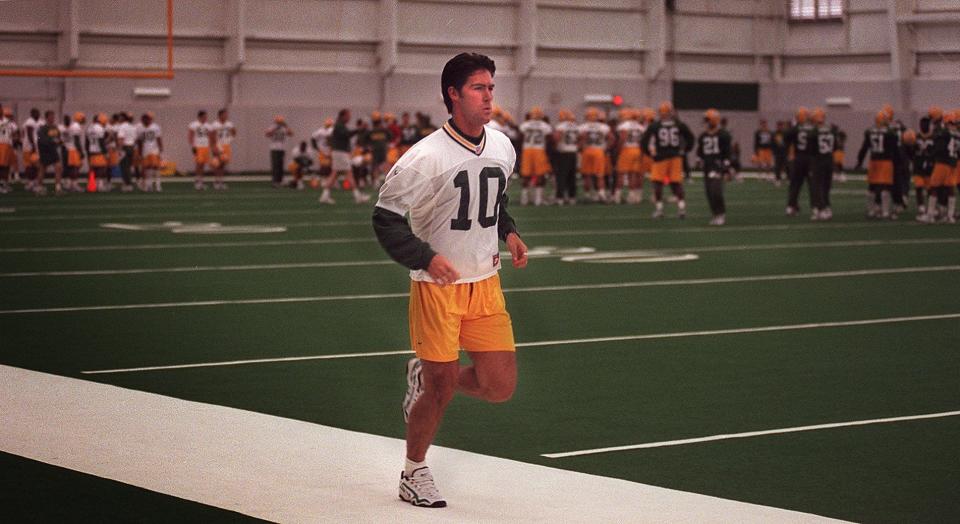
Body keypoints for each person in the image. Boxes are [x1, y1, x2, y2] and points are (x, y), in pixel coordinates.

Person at [372, 52, 528, 509]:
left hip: (486, 283)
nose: (489, 96)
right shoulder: (424, 157)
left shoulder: (502, 147)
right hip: (437, 288)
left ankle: (422, 373)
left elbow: (493, 200)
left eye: (491, 87)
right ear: (453, 94)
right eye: (479, 88)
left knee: (499, 387)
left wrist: (510, 231)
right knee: (441, 390)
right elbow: (385, 219)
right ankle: (413, 470)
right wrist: (425, 256)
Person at [641, 101, 694, 218]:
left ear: (661, 112)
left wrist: (649, 153)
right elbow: (690, 137)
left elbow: (644, 141)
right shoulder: (678, 124)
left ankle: (659, 210)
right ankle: (681, 208)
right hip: (675, 157)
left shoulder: (655, 125)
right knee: (676, 183)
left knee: (657, 183)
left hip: (661, 157)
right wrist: (685, 150)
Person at [855, 111, 900, 219]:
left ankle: (871, 211)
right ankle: (885, 212)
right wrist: (897, 162)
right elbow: (895, 150)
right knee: (886, 186)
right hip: (886, 161)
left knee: (872, 186)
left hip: (874, 161)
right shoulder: (890, 132)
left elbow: (864, 148)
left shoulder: (869, 131)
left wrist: (859, 161)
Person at [318, 109, 368, 204]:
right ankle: (357, 196)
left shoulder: (339, 125)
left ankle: (324, 196)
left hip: (339, 153)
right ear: (343, 116)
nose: (349, 118)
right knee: (349, 174)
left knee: (334, 174)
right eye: (348, 115)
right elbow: (347, 134)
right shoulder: (339, 125)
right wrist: (359, 129)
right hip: (340, 153)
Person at [918, 111, 959, 223]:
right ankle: (950, 216)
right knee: (950, 189)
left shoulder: (944, 133)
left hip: (942, 163)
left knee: (934, 188)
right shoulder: (957, 134)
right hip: (953, 164)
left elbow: (939, 149)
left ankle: (930, 215)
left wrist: (929, 158)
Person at [696, 108, 732, 226]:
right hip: (707, 166)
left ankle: (721, 214)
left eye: (708, 120)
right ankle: (715, 214)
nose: (706, 122)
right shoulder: (703, 136)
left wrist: (726, 169)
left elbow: (727, 153)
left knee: (716, 191)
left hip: (718, 166)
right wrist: (699, 160)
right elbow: (700, 151)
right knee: (709, 192)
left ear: (714, 120)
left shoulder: (723, 135)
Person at [518, 106, 553, 205]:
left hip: (527, 150)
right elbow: (550, 139)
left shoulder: (525, 125)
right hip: (539, 150)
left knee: (526, 174)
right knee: (540, 174)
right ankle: (538, 199)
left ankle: (524, 198)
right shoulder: (545, 126)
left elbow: (520, 137)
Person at [784, 107, 815, 216]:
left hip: (798, 158)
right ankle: (815, 208)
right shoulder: (812, 128)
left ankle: (790, 206)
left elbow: (786, 136)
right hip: (810, 159)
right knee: (812, 184)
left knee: (795, 184)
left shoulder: (795, 128)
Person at [809, 107, 837, 220]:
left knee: (817, 186)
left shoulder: (813, 133)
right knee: (826, 186)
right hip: (829, 160)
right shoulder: (831, 130)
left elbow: (811, 150)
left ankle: (821, 209)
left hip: (818, 160)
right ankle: (827, 208)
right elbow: (834, 147)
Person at [616, 108, 645, 204]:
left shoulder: (624, 126)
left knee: (621, 173)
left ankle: (617, 196)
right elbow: (642, 141)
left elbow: (623, 139)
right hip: (637, 149)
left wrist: (619, 149)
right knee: (633, 174)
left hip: (627, 150)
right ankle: (632, 196)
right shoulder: (641, 127)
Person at [551, 108, 579, 205]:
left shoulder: (560, 126)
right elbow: (579, 139)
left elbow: (556, 138)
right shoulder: (575, 126)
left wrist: (555, 147)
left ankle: (560, 198)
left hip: (563, 153)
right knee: (572, 176)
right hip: (573, 152)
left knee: (561, 176)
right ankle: (572, 197)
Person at [36, 110, 64, 195]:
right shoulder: (43, 128)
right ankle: (39, 188)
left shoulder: (55, 127)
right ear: (47, 117)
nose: (52, 118)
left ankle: (58, 188)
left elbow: (58, 138)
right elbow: (41, 140)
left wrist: (60, 142)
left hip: (53, 151)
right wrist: (52, 141)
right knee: (42, 170)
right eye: (51, 116)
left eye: (53, 116)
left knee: (58, 168)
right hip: (45, 151)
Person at [188, 110, 215, 190]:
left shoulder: (208, 126)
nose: (206, 118)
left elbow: (211, 137)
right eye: (204, 116)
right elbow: (190, 136)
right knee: (198, 164)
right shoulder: (194, 125)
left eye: (206, 117)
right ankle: (197, 182)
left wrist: (212, 146)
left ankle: (201, 182)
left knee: (203, 165)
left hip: (206, 147)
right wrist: (193, 146)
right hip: (198, 146)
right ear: (200, 116)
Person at [138, 112, 163, 192]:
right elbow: (140, 141)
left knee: (156, 167)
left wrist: (160, 149)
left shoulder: (155, 127)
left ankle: (158, 185)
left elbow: (159, 138)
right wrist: (140, 152)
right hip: (145, 151)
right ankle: (149, 185)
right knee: (147, 167)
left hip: (154, 150)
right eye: (143, 120)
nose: (144, 122)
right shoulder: (140, 128)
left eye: (146, 120)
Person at [211, 108, 236, 190]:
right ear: (220, 115)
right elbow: (212, 136)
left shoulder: (229, 124)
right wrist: (214, 146)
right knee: (217, 164)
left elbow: (234, 132)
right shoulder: (215, 124)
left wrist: (230, 139)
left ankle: (221, 182)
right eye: (224, 114)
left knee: (223, 164)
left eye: (226, 114)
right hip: (218, 145)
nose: (226, 116)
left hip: (226, 145)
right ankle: (216, 182)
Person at [265, 115, 292, 188]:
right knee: (275, 166)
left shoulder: (284, 128)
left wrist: (286, 126)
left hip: (282, 149)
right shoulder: (272, 127)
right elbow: (267, 134)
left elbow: (291, 133)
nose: (280, 124)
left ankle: (280, 180)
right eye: (279, 122)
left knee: (280, 166)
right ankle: (275, 181)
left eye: (281, 122)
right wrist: (275, 128)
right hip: (274, 148)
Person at [87, 113, 110, 191]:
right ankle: (99, 185)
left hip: (91, 150)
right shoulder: (100, 128)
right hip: (98, 151)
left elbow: (87, 141)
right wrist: (105, 152)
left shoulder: (90, 127)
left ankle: (92, 185)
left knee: (93, 169)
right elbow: (101, 142)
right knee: (102, 168)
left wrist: (87, 151)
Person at [64, 112, 86, 192]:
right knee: (75, 168)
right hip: (74, 150)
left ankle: (70, 183)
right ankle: (74, 185)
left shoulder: (74, 126)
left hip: (70, 149)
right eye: (83, 117)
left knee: (73, 168)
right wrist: (81, 151)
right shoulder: (76, 126)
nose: (84, 119)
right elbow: (76, 140)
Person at [0, 107, 17, 194]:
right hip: (0, 144)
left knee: (6, 166)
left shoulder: (8, 121)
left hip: (7, 145)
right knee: (1, 166)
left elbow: (15, 131)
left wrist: (14, 138)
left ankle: (5, 183)